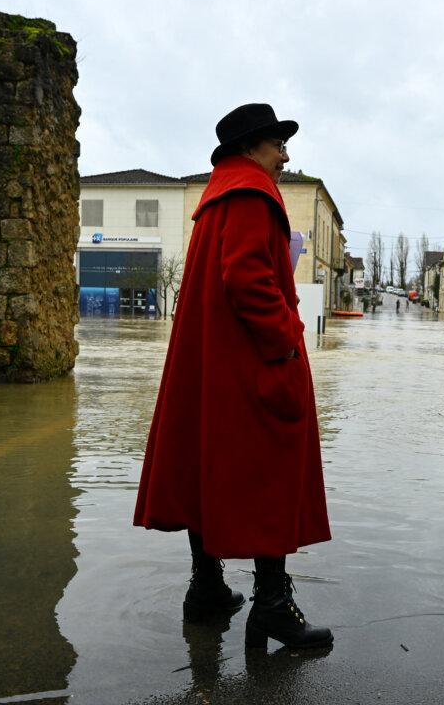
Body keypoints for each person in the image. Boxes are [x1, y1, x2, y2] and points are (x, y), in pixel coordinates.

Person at [133, 103, 333, 650]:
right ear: (252, 148)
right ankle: (271, 604)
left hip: (214, 367)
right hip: (251, 366)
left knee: (207, 469)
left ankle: (208, 590)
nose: (286, 156)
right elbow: (246, 280)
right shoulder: (253, 193)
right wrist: (288, 343)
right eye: (278, 145)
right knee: (271, 472)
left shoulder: (215, 199)